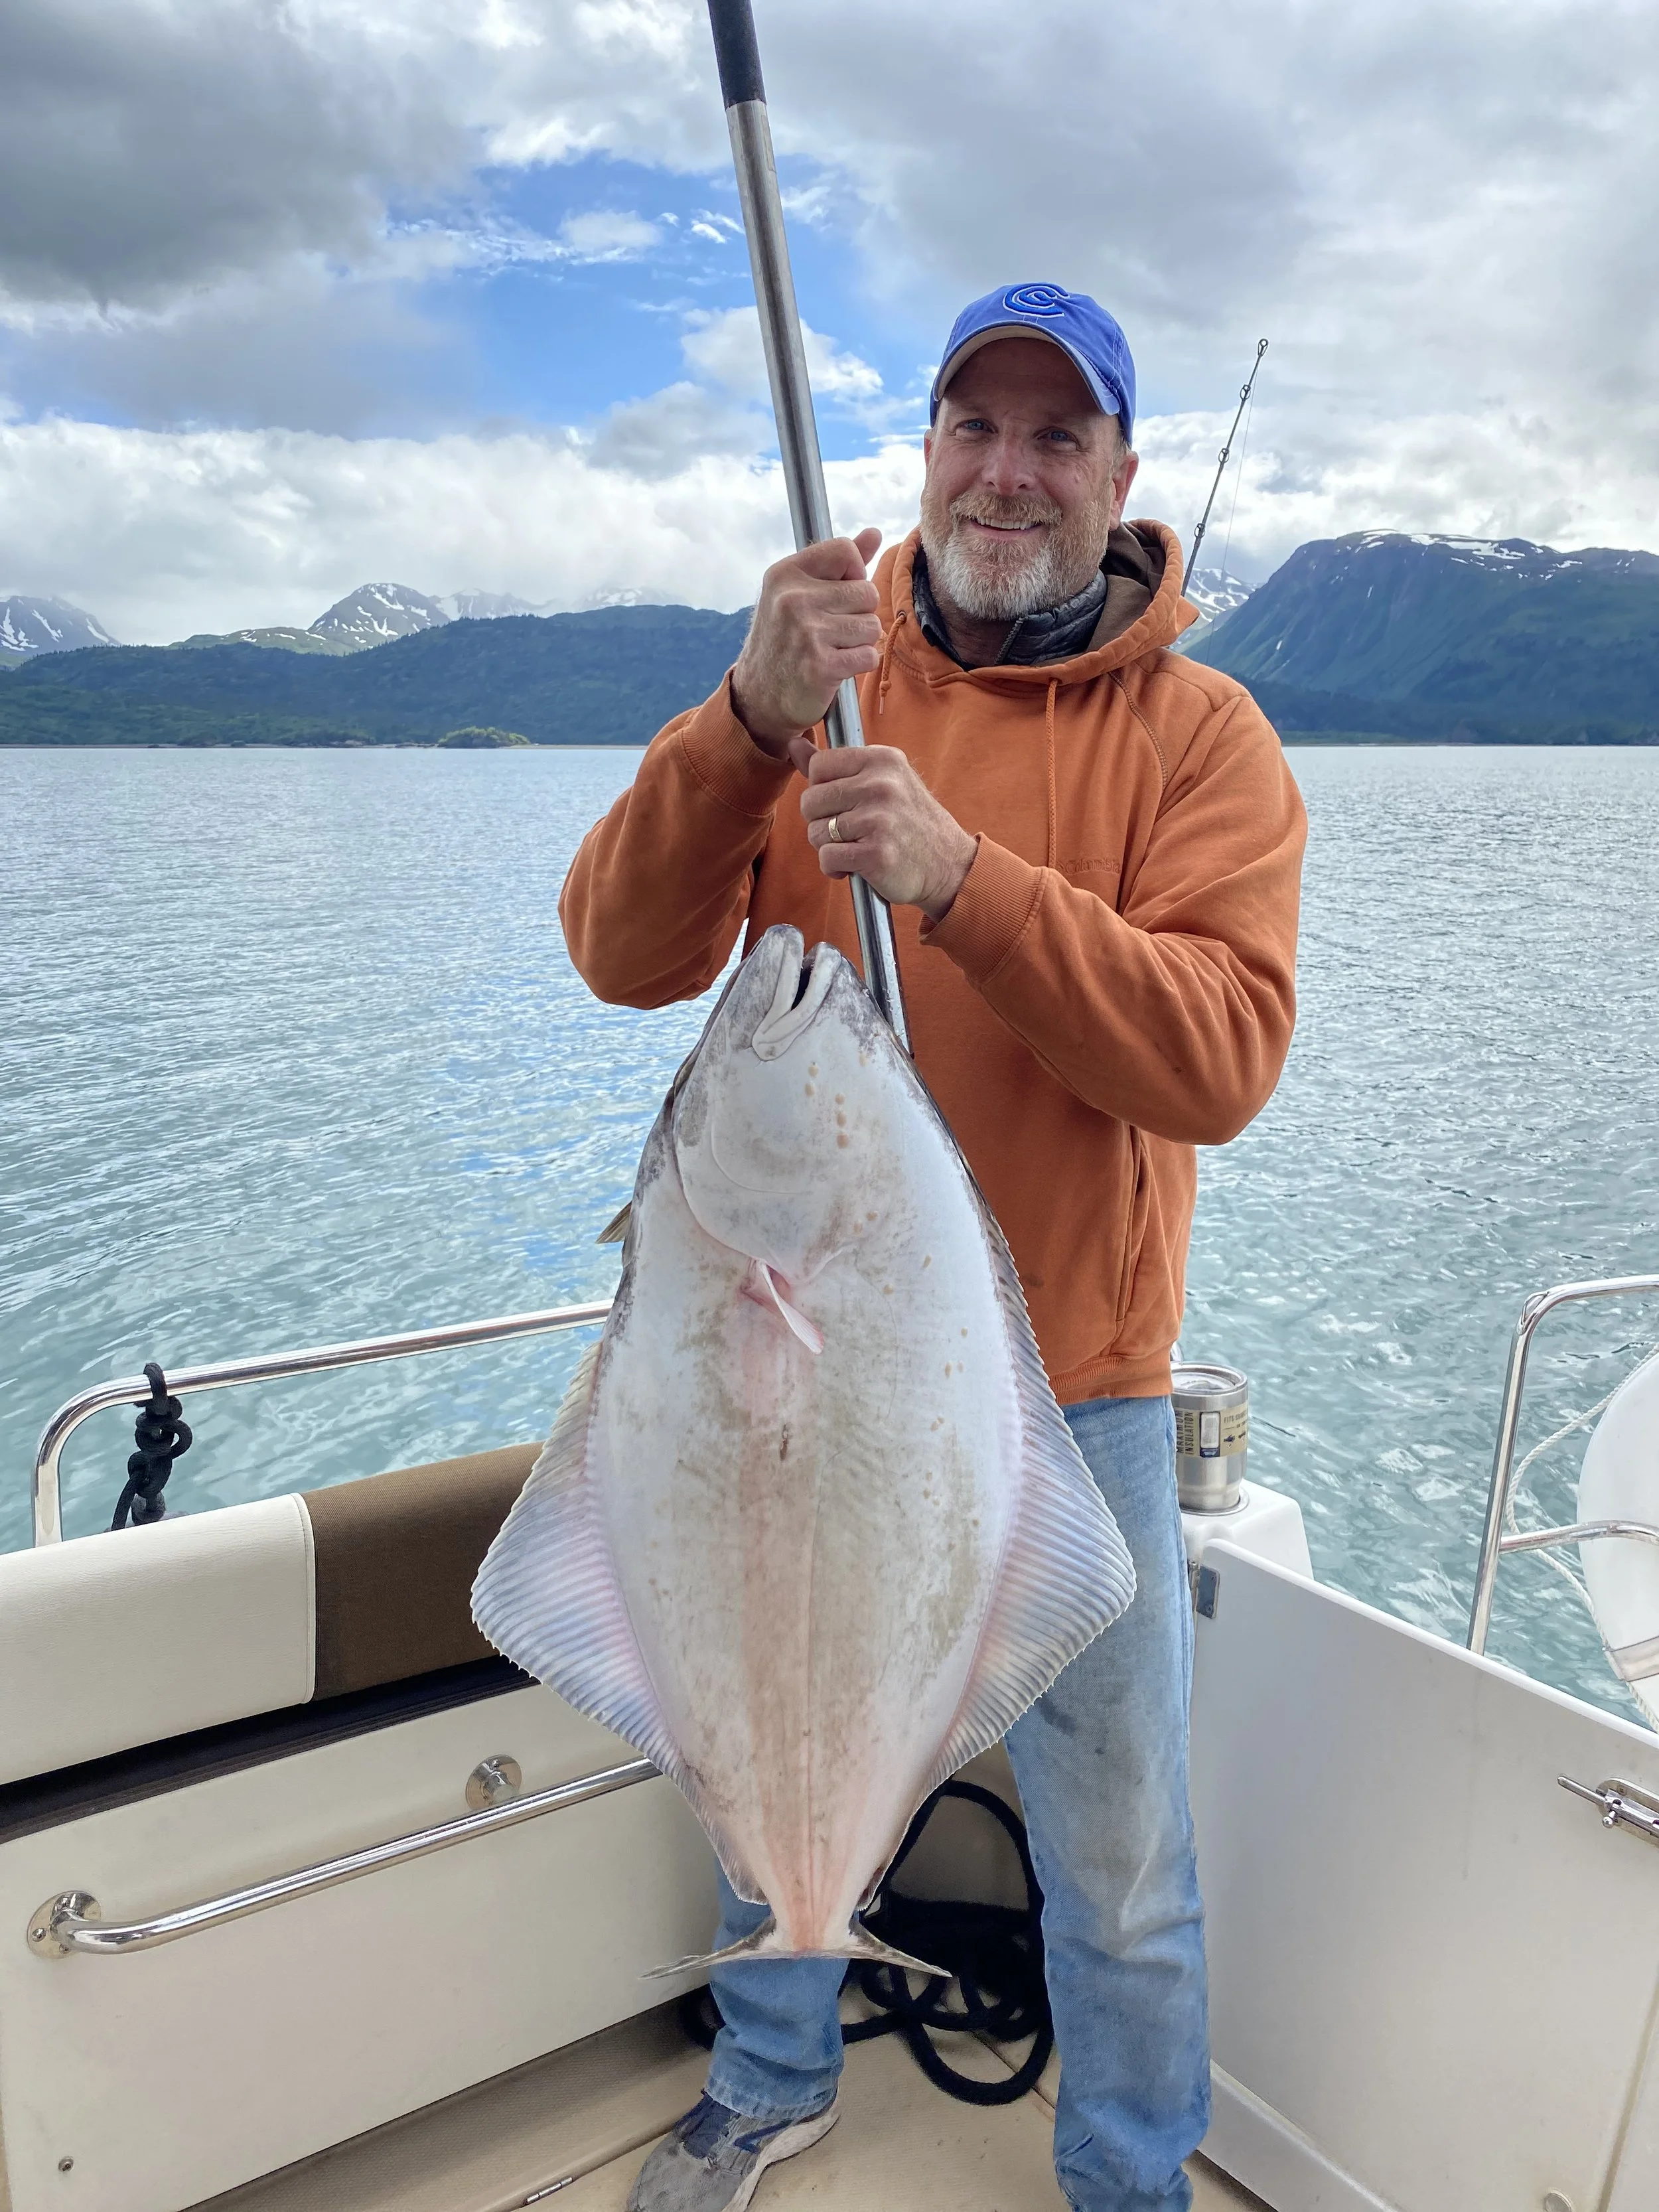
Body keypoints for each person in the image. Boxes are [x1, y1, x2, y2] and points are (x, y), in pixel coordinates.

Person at [560, 283, 1307, 2212]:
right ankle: (771, 2069)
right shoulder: (817, 670)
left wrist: (965, 885)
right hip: (782, 1354)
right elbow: (618, 951)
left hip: (1072, 1380)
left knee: (1119, 1847)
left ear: (1122, 478)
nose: (1009, 470)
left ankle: (1129, 2170)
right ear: (924, 452)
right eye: (976, 425)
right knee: (769, 1718)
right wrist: (742, 721)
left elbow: (1219, 1052)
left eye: (1059, 437)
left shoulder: (1200, 736)